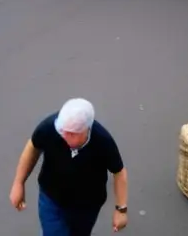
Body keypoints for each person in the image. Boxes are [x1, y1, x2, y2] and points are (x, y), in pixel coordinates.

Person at [9, 98, 128, 236]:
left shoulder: (102, 140)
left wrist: (121, 210)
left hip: (88, 205)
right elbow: (33, 147)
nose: (64, 135)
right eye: (63, 130)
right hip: (52, 198)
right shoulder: (50, 128)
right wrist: (18, 183)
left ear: (86, 130)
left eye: (71, 133)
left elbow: (119, 172)